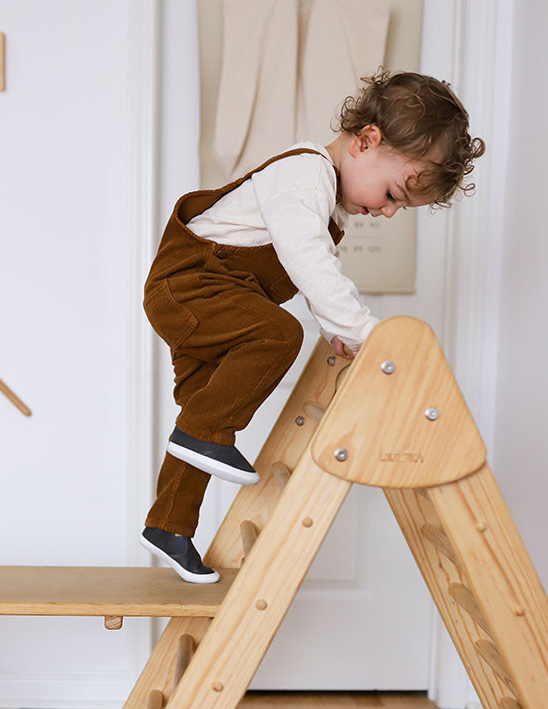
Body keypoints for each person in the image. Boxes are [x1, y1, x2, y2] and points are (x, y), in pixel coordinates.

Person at [140, 70, 485, 583]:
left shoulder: (326, 205)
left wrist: (338, 332)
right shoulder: (305, 176)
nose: (388, 212)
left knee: (205, 410)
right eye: (392, 194)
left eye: (400, 207)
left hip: (217, 298)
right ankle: (200, 440)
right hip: (190, 286)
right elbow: (310, 264)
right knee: (274, 339)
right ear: (366, 140)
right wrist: (366, 332)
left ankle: (168, 527)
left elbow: (298, 270)